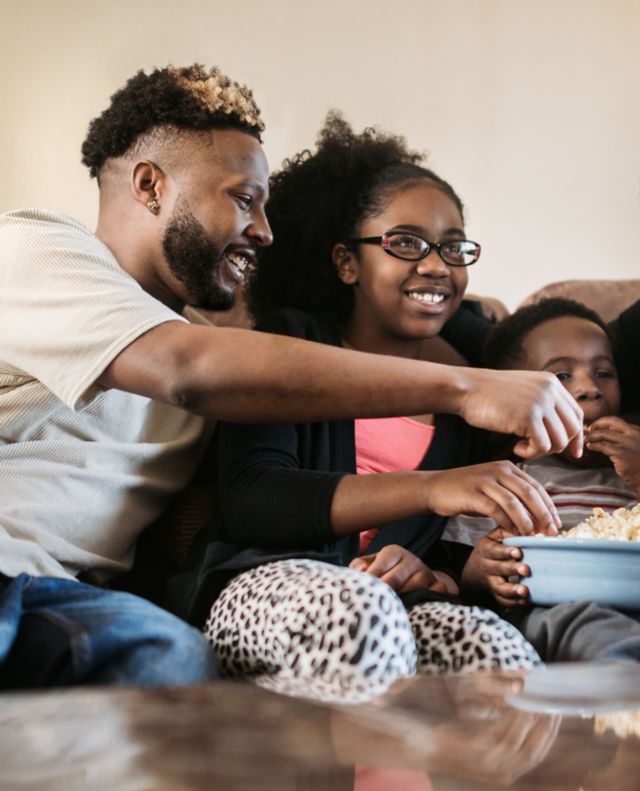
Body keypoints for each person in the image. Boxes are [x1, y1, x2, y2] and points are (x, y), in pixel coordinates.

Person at [0, 65, 582, 691]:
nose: (265, 231)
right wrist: (468, 389)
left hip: (69, 602)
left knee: (169, 662)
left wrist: (485, 335)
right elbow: (188, 370)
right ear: (150, 185)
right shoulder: (36, 250)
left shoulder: (223, 345)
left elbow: (300, 352)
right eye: (243, 198)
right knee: (164, 659)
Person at [168, 114, 568, 701]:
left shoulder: (475, 383)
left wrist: (437, 574)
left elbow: (462, 545)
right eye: (404, 242)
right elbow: (253, 499)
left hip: (403, 600)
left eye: (453, 247)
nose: (436, 264)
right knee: (361, 613)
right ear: (346, 263)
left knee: (498, 651)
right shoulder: (291, 344)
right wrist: (431, 487)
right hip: (264, 585)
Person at [450, 297, 640, 662]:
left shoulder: (632, 465)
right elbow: (465, 571)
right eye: (562, 376)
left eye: (604, 372)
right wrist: (479, 572)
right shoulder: (507, 479)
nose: (589, 388)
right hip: (554, 607)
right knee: (588, 626)